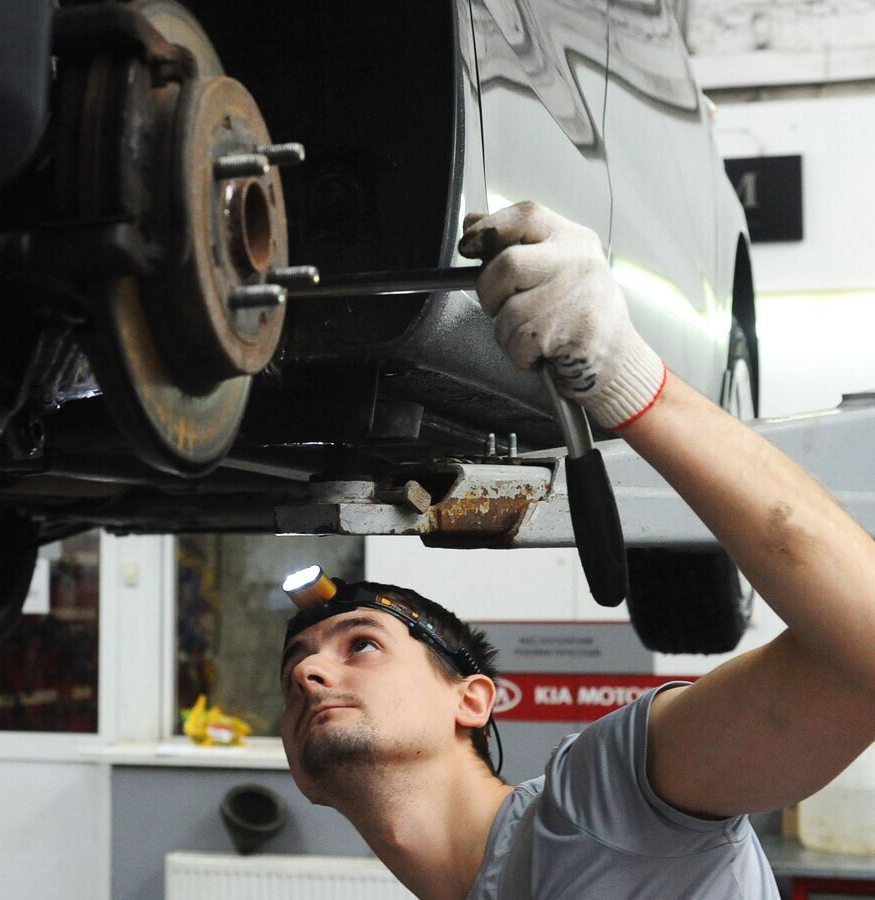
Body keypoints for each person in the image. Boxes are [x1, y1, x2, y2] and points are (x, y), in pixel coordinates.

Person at [278, 201, 875, 899]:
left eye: (362, 644)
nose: (309, 672)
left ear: (471, 699)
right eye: (293, 666)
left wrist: (626, 379)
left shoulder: (602, 801)